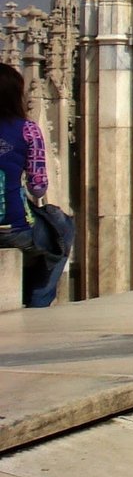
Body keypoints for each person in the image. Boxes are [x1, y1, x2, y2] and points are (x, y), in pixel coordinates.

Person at [0, 63, 61, 307]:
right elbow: (39, 187)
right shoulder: (27, 131)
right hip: (13, 227)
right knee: (61, 235)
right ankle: (38, 303)